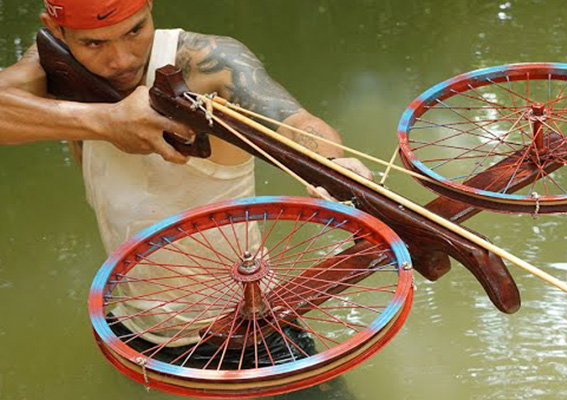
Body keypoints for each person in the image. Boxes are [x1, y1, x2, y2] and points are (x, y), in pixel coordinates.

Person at [0, 0, 368, 395]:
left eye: (135, 31)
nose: (121, 59)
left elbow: (296, 123)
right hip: (136, 330)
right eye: (94, 44)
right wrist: (106, 121)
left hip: (250, 330)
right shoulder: (54, 66)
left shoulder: (206, 61)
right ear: (57, 32)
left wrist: (333, 164)